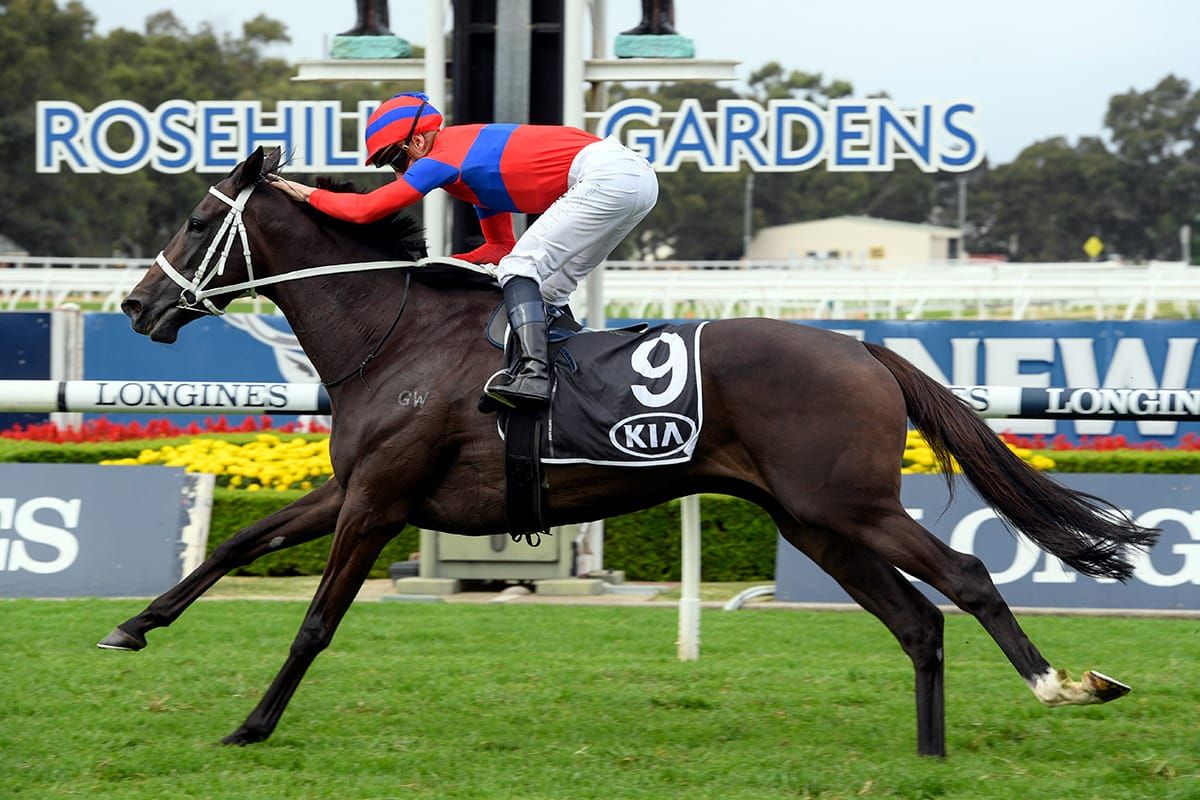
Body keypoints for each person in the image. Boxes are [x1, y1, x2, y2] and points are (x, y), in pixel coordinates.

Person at [270, 92, 658, 409]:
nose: (399, 173)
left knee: (522, 267)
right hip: (633, 180)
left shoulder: (444, 156)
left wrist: (306, 194)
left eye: (396, 158)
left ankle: (534, 376)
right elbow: (498, 247)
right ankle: (569, 375)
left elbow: (367, 209)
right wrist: (438, 267)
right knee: (550, 285)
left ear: (418, 141)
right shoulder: (474, 170)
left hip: (610, 175)